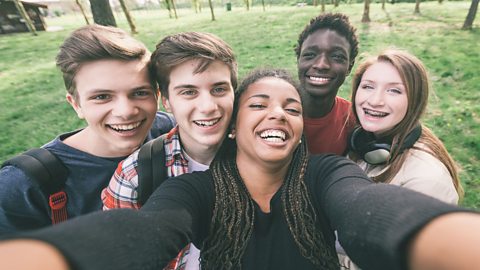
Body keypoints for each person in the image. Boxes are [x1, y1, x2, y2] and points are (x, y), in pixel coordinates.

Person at [0, 68, 478, 270]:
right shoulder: (193, 191)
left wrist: (452, 240)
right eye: (260, 104)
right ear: (232, 127)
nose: (278, 114)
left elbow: (368, 209)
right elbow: (146, 230)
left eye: (291, 108)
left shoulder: (327, 174)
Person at [0, 24, 174, 235]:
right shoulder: (23, 185)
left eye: (139, 93)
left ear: (156, 95)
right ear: (76, 104)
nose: (126, 111)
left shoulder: (169, 130)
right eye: (102, 97)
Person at [101, 32, 237, 270]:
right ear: (166, 100)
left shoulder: (261, 157)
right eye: (188, 92)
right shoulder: (135, 176)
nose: (208, 107)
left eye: (219, 89)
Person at [337, 49, 465, 270]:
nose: (375, 100)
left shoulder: (427, 180)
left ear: (414, 101)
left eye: (394, 91)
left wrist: (321, 252)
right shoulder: (363, 145)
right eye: (367, 86)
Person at [295, 13, 358, 155]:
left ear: (349, 66)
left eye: (336, 56)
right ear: (298, 60)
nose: (321, 65)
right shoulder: (272, 111)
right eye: (310, 55)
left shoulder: (352, 119)